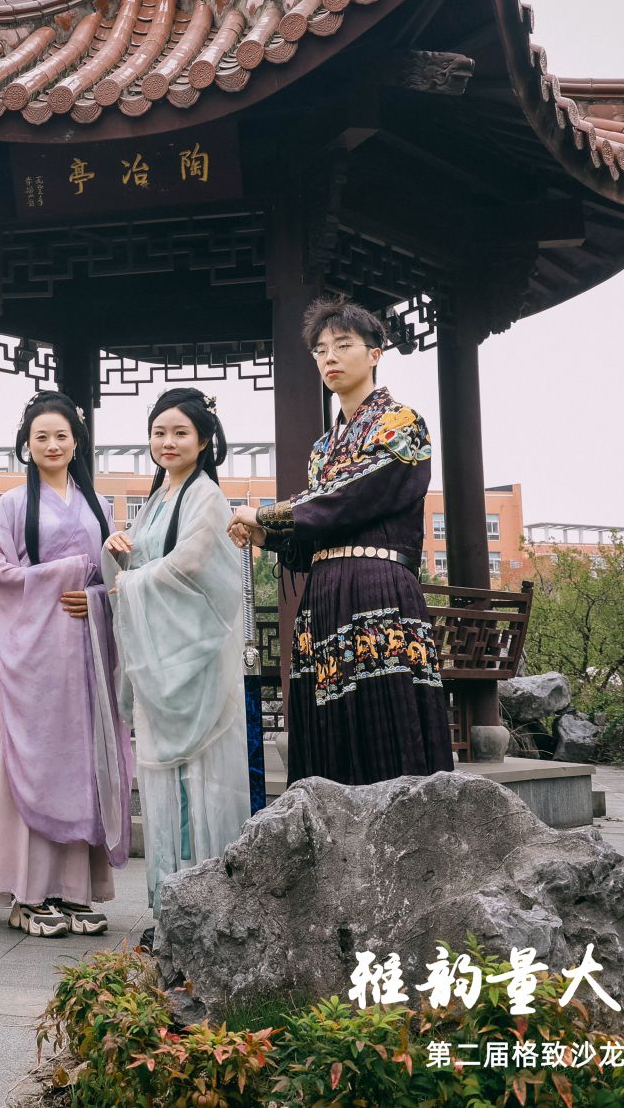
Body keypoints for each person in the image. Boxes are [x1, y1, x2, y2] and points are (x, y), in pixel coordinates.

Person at [229, 298, 455, 785]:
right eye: (320, 349)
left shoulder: (401, 423)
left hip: (378, 587)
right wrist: (265, 535)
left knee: (385, 722)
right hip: (324, 594)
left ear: (375, 354)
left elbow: (351, 496)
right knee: (326, 731)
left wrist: (266, 513)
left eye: (343, 345)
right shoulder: (322, 448)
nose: (329, 356)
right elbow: (316, 530)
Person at [0, 391, 132, 938]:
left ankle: (74, 891)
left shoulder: (98, 505)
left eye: (62, 436)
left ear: (77, 442)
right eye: (42, 437)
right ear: (27, 445)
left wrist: (99, 596)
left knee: (82, 764)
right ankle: (28, 893)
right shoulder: (13, 505)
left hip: (86, 654)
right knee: (35, 760)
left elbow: (111, 576)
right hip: (35, 656)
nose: (53, 445)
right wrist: (62, 576)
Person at [104, 388, 253, 910]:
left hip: (196, 656)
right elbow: (143, 562)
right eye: (159, 432)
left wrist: (131, 581)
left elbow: (190, 563)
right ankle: (167, 905)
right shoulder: (155, 499)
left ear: (204, 440)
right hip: (159, 659)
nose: (167, 442)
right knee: (164, 783)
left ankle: (208, 902)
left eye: (180, 433)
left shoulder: (207, 497)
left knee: (201, 779)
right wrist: (118, 548)